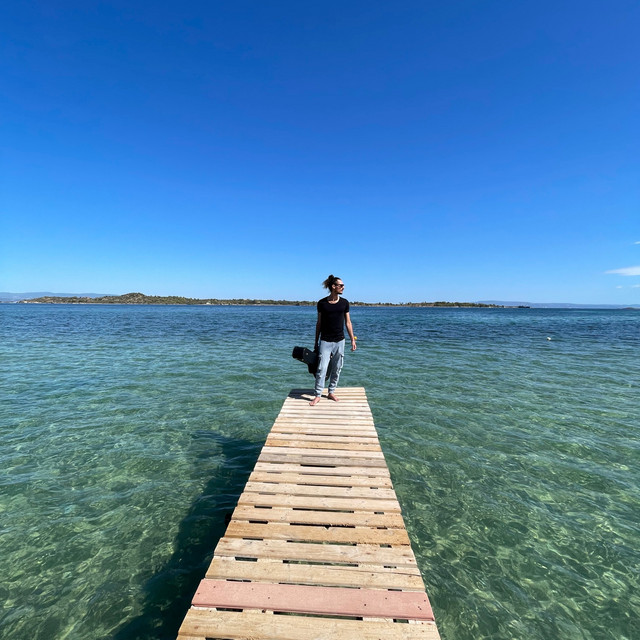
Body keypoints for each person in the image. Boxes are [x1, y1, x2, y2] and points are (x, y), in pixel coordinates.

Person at [310, 275, 356, 406]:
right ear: (333, 287)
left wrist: (352, 340)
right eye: (341, 285)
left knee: (337, 368)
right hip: (325, 340)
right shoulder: (322, 303)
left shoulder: (344, 303)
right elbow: (319, 323)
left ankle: (331, 391)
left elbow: (348, 323)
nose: (343, 287)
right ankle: (318, 394)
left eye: (343, 285)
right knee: (321, 368)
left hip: (340, 340)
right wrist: (316, 342)